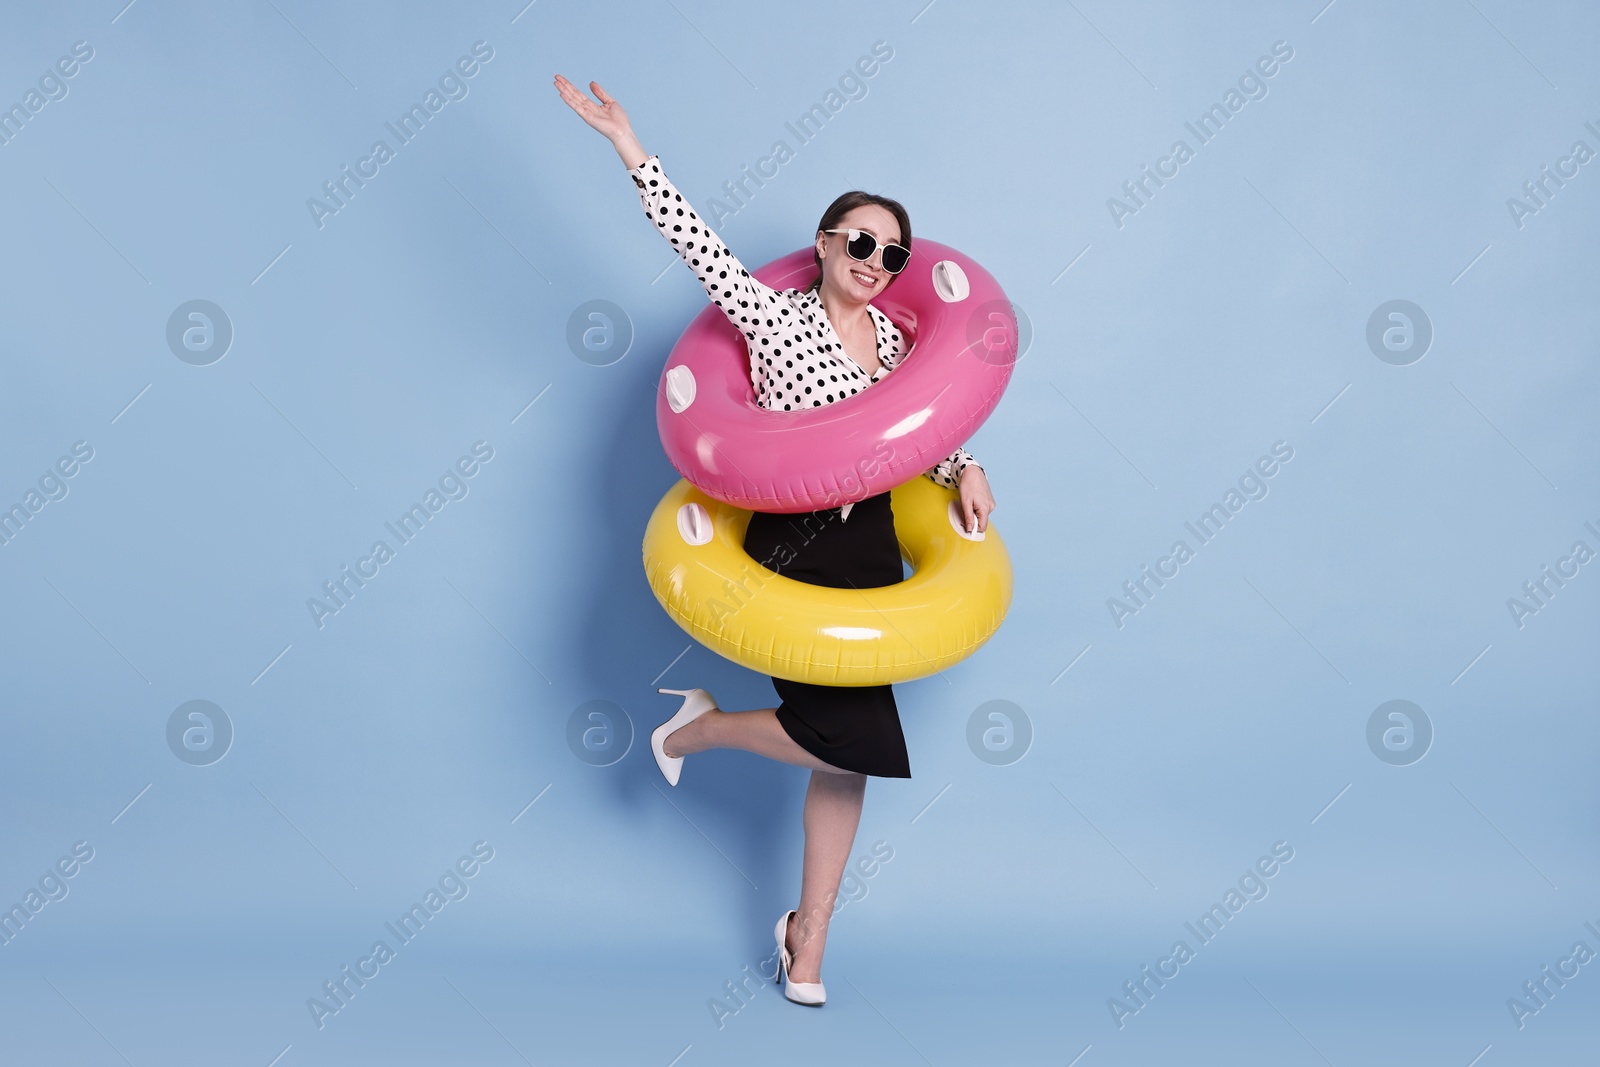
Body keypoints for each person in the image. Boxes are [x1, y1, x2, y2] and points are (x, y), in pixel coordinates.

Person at [554, 74, 997, 1007]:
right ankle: (705, 727)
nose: (877, 259)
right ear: (826, 245)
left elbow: (912, 430)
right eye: (862, 242)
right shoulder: (771, 315)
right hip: (796, 548)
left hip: (871, 542)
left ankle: (809, 941)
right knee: (846, 740)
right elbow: (695, 243)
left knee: (852, 750)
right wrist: (629, 146)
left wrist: (965, 470)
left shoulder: (892, 335)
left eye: (893, 250)